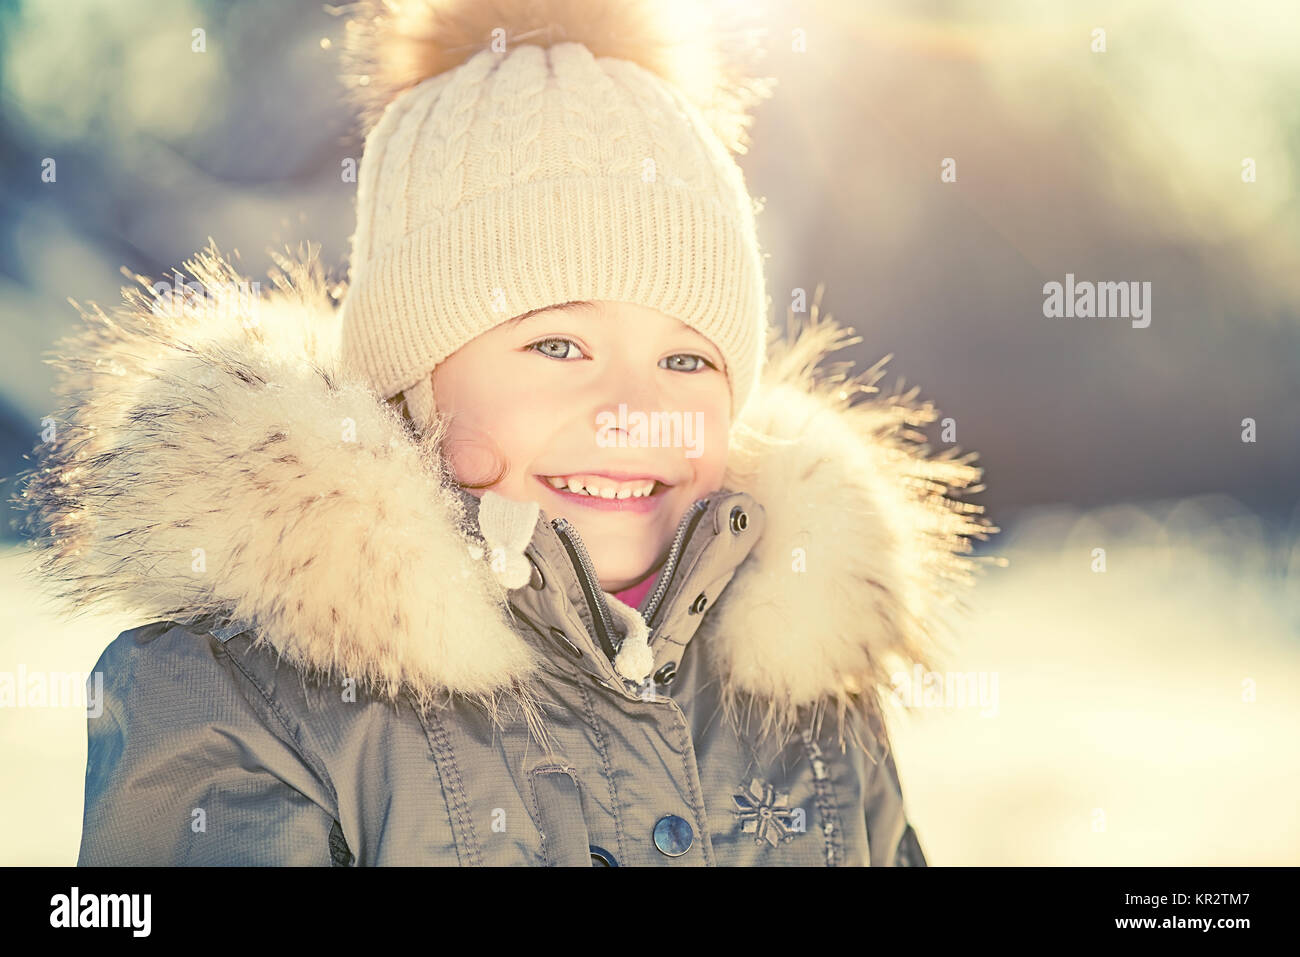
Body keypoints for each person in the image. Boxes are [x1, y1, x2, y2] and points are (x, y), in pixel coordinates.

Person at [16, 0, 995, 866]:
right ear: (410, 383)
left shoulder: (806, 700)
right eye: (558, 345)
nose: (630, 411)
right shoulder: (243, 702)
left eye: (687, 360)